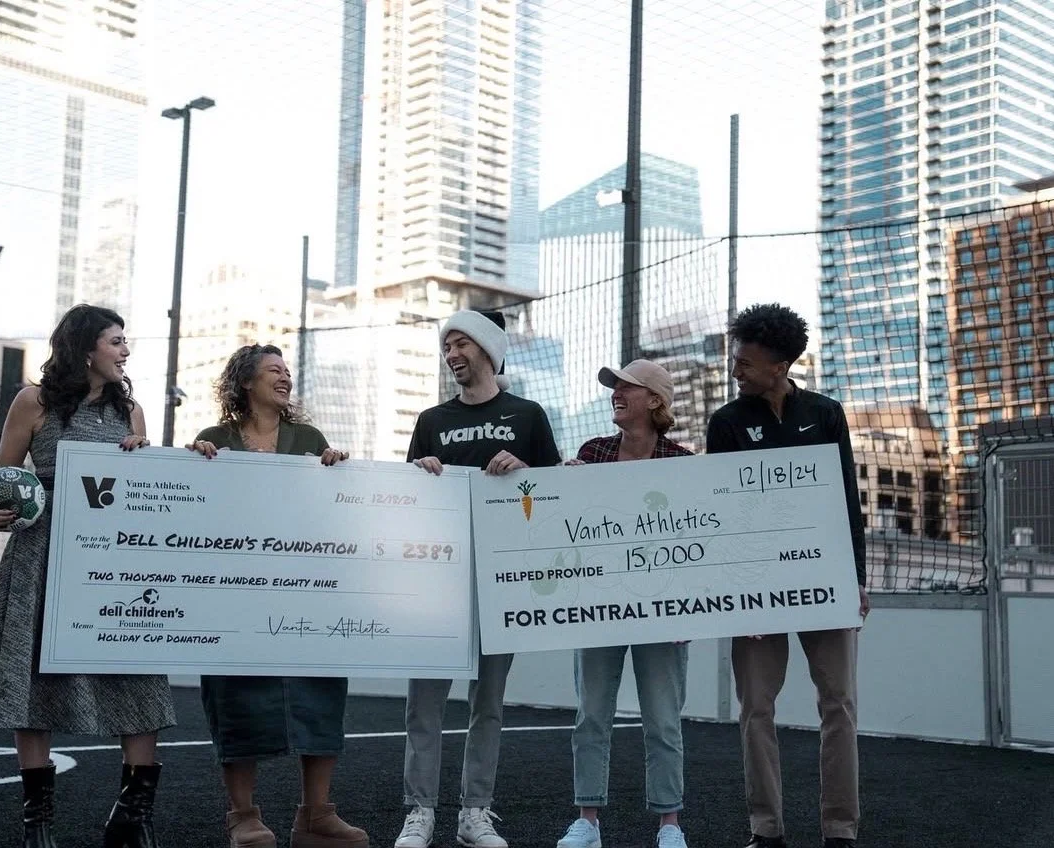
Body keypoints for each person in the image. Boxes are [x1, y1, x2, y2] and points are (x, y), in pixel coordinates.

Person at [0, 304, 176, 848]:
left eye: (126, 341)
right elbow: (4, 476)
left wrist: (140, 458)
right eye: (116, 340)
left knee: (136, 671)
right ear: (86, 348)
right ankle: (38, 825)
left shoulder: (133, 412)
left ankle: (134, 816)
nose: (126, 350)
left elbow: (146, 495)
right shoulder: (32, 401)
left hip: (115, 557)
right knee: (31, 678)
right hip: (42, 550)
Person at [187, 343, 367, 848]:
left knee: (321, 689)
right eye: (274, 371)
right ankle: (243, 817)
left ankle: (316, 816)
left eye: (288, 371)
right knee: (234, 695)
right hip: (235, 595)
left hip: (306, 592)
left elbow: (328, 508)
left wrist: (334, 468)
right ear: (246, 382)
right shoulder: (213, 440)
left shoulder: (309, 438)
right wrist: (193, 466)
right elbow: (194, 509)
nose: (285, 378)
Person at [395, 310, 561, 848]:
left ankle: (475, 812)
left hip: (501, 580)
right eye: (447, 347)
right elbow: (407, 502)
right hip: (438, 583)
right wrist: (419, 475)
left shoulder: (528, 416)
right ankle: (419, 811)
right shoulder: (430, 420)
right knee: (424, 703)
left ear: (489, 348)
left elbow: (553, 501)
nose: (452, 355)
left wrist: (527, 474)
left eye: (461, 343)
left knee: (487, 703)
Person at [704, 303, 869, 848]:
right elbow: (723, 513)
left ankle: (840, 829)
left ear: (781, 365)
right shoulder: (726, 422)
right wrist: (738, 596)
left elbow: (847, 501)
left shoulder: (825, 415)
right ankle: (765, 828)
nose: (736, 370)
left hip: (825, 583)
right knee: (756, 710)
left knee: (839, 704)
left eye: (746, 363)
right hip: (756, 592)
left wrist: (856, 579)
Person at [555, 360, 693, 848]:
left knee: (663, 719)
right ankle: (587, 821)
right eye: (614, 387)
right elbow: (573, 528)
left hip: (662, 612)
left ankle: (670, 824)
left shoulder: (683, 460)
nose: (615, 393)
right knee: (591, 715)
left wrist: (686, 607)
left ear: (655, 400)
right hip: (598, 606)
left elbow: (693, 540)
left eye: (625, 387)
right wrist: (564, 484)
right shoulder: (592, 453)